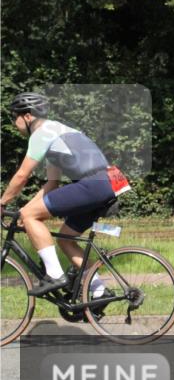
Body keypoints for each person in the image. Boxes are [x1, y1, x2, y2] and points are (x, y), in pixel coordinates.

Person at [0, 92, 111, 296]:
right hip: (108, 183)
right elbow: (52, 184)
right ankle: (98, 291)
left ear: (27, 116)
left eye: (14, 116)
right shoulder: (58, 130)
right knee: (65, 239)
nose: (14, 123)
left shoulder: (41, 133)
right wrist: (26, 209)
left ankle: (54, 274)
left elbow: (22, 175)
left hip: (92, 184)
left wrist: (2, 203)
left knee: (30, 216)